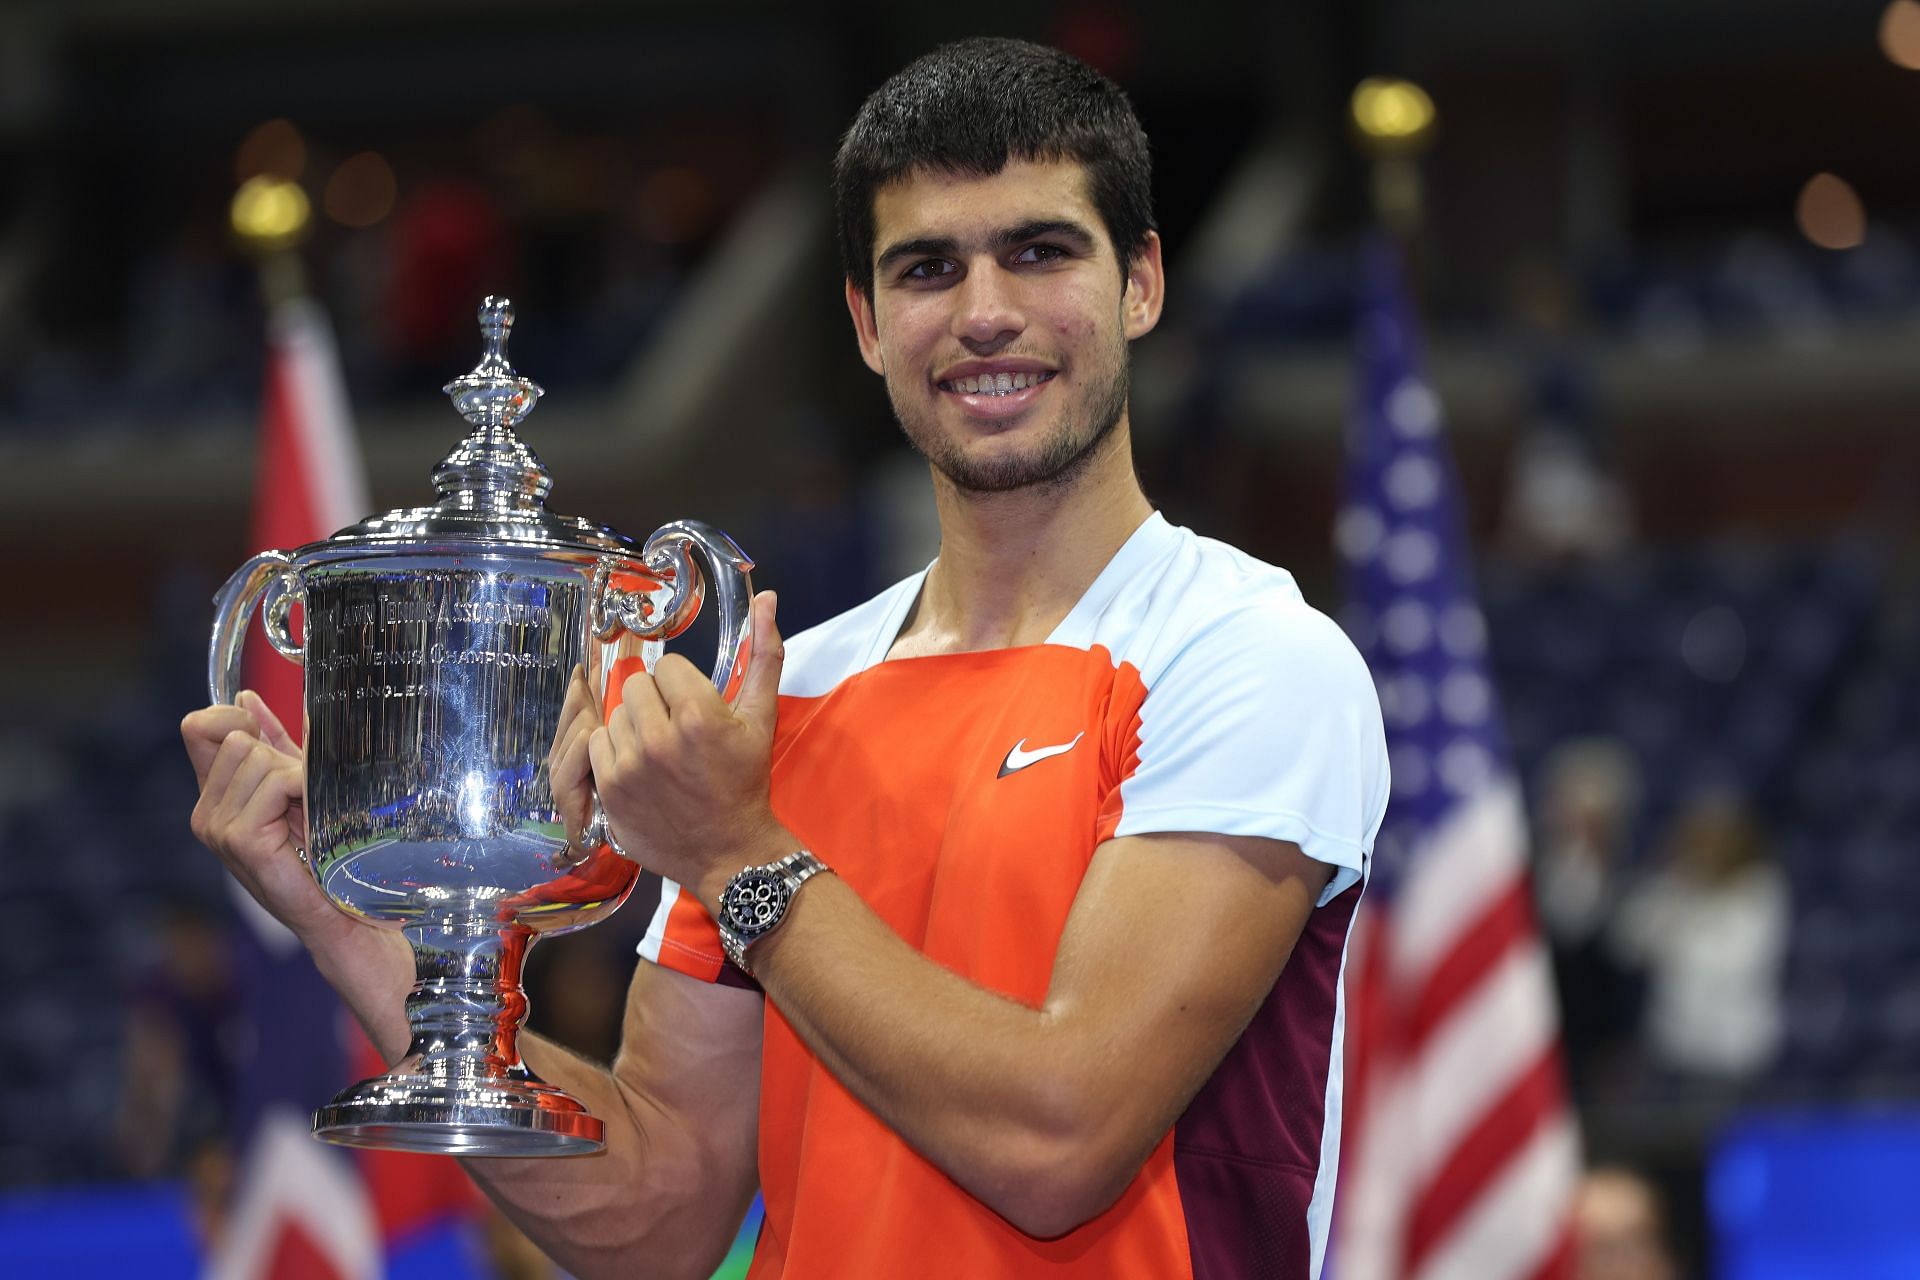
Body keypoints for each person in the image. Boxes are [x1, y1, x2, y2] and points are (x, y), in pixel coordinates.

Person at [183, 38, 1388, 1279]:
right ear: (868, 323)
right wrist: (349, 920)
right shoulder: (790, 695)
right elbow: (662, 1216)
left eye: (1040, 250)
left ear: (1140, 282)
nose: (984, 313)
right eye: (928, 268)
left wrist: (737, 851)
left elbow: (1060, 1134)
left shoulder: (1249, 657)